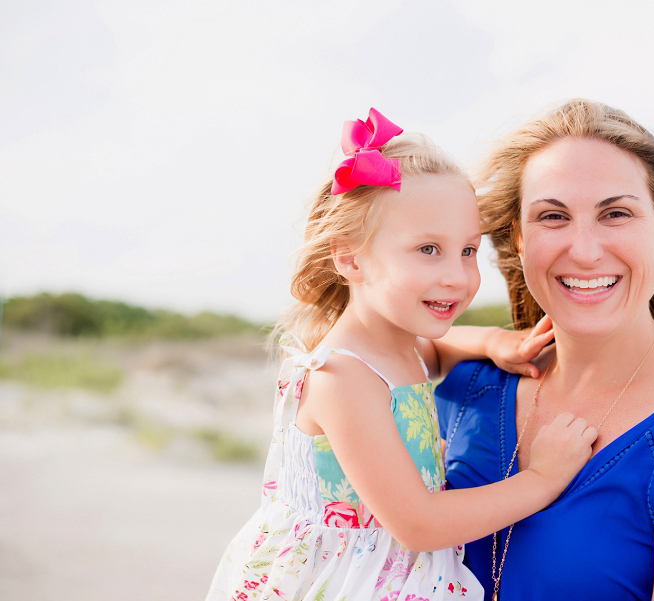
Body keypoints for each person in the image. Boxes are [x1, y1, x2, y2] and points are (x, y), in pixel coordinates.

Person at [205, 108, 597, 601]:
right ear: (349, 257)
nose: (457, 276)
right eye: (428, 250)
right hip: (343, 583)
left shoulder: (397, 345)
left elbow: (434, 349)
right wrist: (542, 478)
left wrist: (494, 342)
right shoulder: (343, 378)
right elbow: (418, 523)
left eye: (468, 250)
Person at [435, 99, 654, 601]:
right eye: (553, 216)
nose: (583, 249)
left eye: (616, 213)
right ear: (517, 237)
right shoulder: (467, 389)